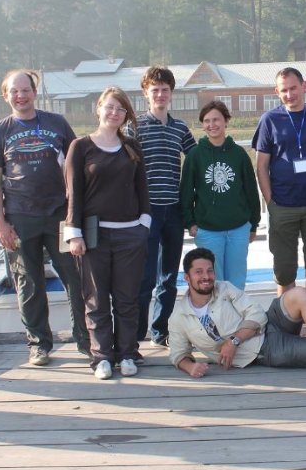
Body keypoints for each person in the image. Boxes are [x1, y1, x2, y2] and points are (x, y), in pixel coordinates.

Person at [0, 69, 88, 366]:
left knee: (75, 277)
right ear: (6, 96)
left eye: (25, 90)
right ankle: (39, 344)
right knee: (29, 282)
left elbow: (77, 165)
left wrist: (77, 213)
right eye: (14, 91)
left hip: (59, 215)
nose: (21, 95)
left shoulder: (57, 123)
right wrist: (0, 223)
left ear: (35, 91)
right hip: (20, 218)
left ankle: (84, 340)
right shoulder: (0, 131)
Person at [168, 248, 306, 380]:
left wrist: (234, 340)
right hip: (266, 351)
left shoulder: (224, 288)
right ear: (187, 278)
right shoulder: (179, 316)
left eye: (209, 270)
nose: (206, 276)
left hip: (269, 322)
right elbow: (178, 354)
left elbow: (256, 313)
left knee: (298, 294)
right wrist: (191, 367)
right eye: (198, 272)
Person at [64, 87, 150, 380]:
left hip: (130, 236)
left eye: (121, 109)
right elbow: (73, 193)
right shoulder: (80, 146)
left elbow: (143, 190)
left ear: (126, 114)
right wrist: (74, 234)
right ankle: (101, 357)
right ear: (99, 108)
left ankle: (127, 353)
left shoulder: (132, 147)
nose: (114, 113)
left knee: (127, 299)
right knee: (96, 299)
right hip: (93, 236)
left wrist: (143, 226)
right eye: (109, 107)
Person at [252, 67, 306, 305]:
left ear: (304, 86)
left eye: (293, 88)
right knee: (284, 271)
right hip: (283, 206)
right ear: (276, 92)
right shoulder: (269, 120)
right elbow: (261, 167)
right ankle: (287, 330)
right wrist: (271, 203)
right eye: (284, 90)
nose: (289, 94)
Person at [135, 66, 196, 346]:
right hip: (146, 212)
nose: (160, 94)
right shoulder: (134, 127)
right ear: (146, 93)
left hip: (174, 210)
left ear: (171, 93)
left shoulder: (180, 128)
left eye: (165, 90)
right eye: (155, 90)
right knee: (145, 278)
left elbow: (197, 161)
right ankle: (134, 336)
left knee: (169, 277)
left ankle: (161, 332)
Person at [180, 100, 261, 290]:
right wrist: (190, 222)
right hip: (208, 231)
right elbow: (185, 193)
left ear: (226, 121)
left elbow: (251, 190)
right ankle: (218, 320)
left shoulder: (239, 154)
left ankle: (236, 319)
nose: (211, 125)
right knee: (213, 282)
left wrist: (253, 223)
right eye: (206, 121)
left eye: (216, 119)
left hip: (238, 229)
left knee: (236, 282)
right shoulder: (195, 155)